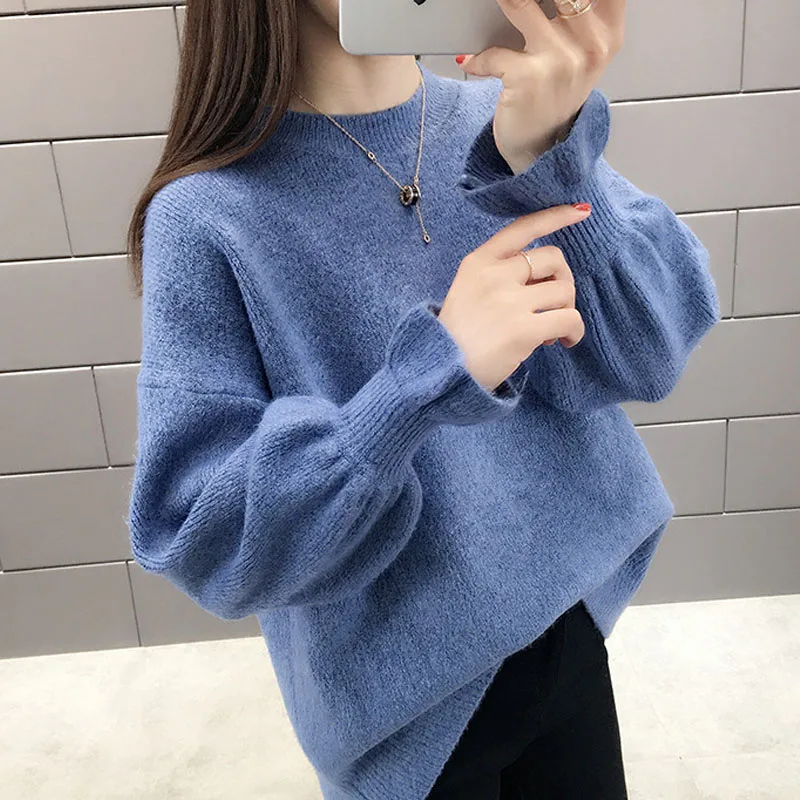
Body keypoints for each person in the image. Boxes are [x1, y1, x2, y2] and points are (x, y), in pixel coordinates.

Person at [125, 0, 720, 798]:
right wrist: (420, 383)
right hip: (406, 720)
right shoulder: (208, 215)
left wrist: (553, 158)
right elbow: (200, 534)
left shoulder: (508, 121)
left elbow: (650, 354)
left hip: (567, 627)